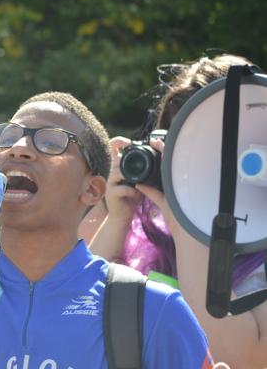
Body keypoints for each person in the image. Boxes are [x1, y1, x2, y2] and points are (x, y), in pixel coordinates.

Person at [0, 92, 213, 368]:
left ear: (92, 190)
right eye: (8, 137)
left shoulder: (153, 311)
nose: (19, 148)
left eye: (52, 142)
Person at [90, 54, 267, 367]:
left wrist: (187, 228)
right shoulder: (144, 239)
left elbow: (242, 357)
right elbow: (79, 318)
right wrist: (118, 219)